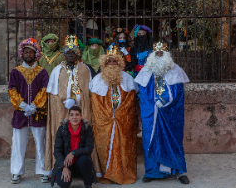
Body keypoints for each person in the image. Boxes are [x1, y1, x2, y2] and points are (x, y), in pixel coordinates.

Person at [134, 42, 190, 184]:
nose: (159, 55)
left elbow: (178, 93)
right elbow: (143, 94)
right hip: (152, 114)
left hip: (171, 115)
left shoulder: (175, 70)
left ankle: (179, 171)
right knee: (150, 140)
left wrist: (165, 101)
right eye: (157, 53)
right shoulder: (146, 71)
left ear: (166, 55)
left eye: (162, 53)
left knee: (173, 141)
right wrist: (154, 105)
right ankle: (152, 172)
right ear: (152, 55)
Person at [44, 35, 93, 176]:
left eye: (73, 52)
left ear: (78, 53)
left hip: (80, 110)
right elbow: (53, 94)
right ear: (64, 54)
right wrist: (64, 100)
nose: (71, 54)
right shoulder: (57, 70)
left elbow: (88, 91)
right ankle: (60, 166)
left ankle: (81, 168)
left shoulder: (85, 70)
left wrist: (78, 100)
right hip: (62, 110)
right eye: (68, 52)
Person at [90, 45, 138, 185]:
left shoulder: (128, 78)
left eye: (114, 61)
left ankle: (123, 173)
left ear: (120, 63)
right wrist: (108, 115)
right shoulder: (98, 79)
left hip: (124, 119)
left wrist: (119, 114)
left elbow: (130, 100)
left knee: (125, 146)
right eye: (109, 62)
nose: (112, 64)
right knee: (104, 146)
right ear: (104, 63)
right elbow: (96, 102)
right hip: (104, 121)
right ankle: (107, 173)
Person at [8, 37, 49, 184]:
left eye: (31, 52)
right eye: (26, 52)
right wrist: (23, 105)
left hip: (38, 113)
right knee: (18, 143)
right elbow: (12, 90)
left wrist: (35, 105)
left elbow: (45, 90)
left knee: (41, 143)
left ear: (35, 54)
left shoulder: (42, 72)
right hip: (21, 113)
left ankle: (43, 171)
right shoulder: (15, 72)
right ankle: (16, 172)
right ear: (22, 53)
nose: (28, 54)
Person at [50, 106, 96, 188]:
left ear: (81, 116)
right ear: (69, 117)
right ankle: (68, 173)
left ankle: (88, 184)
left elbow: (89, 148)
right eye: (72, 115)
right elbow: (57, 150)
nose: (74, 117)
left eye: (77, 115)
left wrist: (73, 153)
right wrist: (63, 167)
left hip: (80, 161)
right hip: (66, 162)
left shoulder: (87, 128)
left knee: (85, 159)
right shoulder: (62, 129)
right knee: (63, 184)